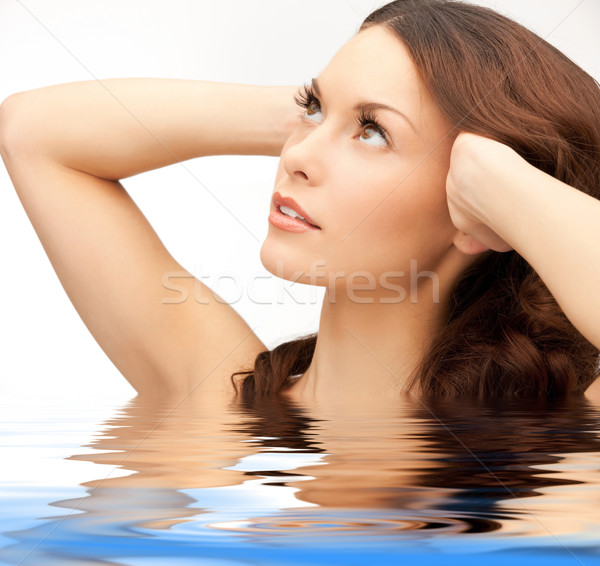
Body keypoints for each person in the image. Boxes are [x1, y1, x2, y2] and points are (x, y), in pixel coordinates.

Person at [1, 0, 599, 404]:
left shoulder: (565, 452)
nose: (297, 157)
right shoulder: (217, 402)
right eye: (311, 108)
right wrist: (324, 114)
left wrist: (505, 186)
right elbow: (34, 131)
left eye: (373, 134)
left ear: (478, 205)